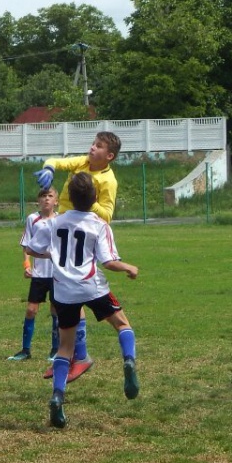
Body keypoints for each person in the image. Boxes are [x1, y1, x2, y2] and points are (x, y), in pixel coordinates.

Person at [25, 172, 139, 429]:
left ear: (68, 198)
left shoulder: (54, 222)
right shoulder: (99, 225)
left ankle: (57, 395)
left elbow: (32, 249)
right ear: (95, 198)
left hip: (63, 291)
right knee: (122, 324)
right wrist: (128, 267)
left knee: (65, 348)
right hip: (91, 286)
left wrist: (53, 255)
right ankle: (129, 361)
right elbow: (108, 261)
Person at [33, 131, 122, 381]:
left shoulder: (108, 181)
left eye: (99, 146)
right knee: (60, 302)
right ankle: (72, 356)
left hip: (82, 237)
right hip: (64, 233)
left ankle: (75, 356)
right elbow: (58, 161)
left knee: (69, 297)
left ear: (109, 156)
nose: (92, 148)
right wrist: (49, 168)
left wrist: (87, 198)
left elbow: (106, 216)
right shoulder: (83, 162)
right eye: (93, 144)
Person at [7, 187, 59, 361]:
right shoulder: (32, 219)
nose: (46, 199)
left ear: (56, 201)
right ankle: (25, 350)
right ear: (38, 200)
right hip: (39, 274)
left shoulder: (60, 220)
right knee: (31, 310)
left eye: (50, 196)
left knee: (56, 310)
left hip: (56, 273)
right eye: (43, 196)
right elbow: (26, 245)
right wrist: (27, 264)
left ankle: (55, 350)